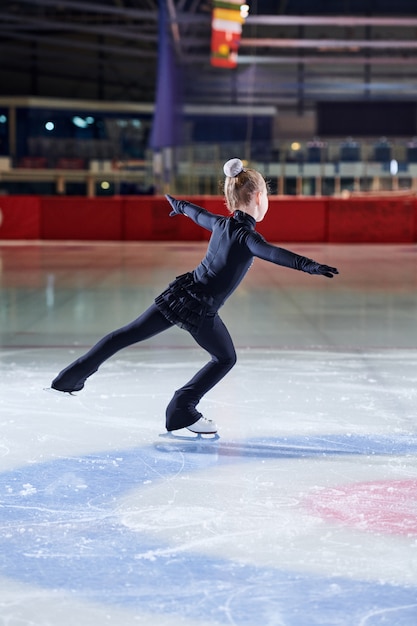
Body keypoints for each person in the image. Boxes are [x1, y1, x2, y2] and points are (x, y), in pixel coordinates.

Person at [51, 158, 338, 435]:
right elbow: (274, 253)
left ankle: (69, 378)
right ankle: (182, 409)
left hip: (181, 293)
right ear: (259, 197)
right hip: (201, 309)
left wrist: (179, 205)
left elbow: (196, 213)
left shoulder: (221, 224)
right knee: (225, 358)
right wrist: (308, 266)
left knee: (130, 333)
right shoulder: (246, 237)